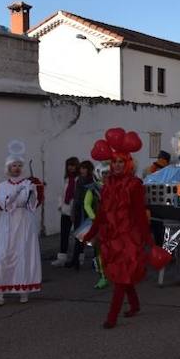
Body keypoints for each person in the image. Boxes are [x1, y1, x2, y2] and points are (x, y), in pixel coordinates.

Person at [84, 129, 152, 329]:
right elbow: (103, 212)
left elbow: (140, 213)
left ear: (129, 163)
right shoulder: (106, 186)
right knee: (121, 274)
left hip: (129, 235)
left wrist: (149, 240)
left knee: (122, 274)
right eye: (114, 162)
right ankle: (135, 305)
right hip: (111, 235)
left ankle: (111, 317)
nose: (117, 165)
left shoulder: (135, 185)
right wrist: (91, 233)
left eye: (121, 161)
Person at [0, 152, 44, 306]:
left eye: (19, 166)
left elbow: (32, 205)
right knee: (3, 254)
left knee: (23, 254)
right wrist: (17, 191)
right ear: (8, 168)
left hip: (25, 222)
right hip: (8, 223)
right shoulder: (1, 186)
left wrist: (32, 192)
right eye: (14, 165)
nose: (17, 168)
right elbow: (5, 205)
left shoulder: (28, 184)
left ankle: (23, 290)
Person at [66, 161, 96, 270]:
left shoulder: (93, 180)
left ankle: (95, 261)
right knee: (79, 236)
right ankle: (75, 260)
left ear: (89, 169)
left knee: (91, 237)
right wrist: (73, 212)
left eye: (84, 168)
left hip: (89, 211)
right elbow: (75, 197)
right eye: (81, 168)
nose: (82, 170)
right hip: (79, 210)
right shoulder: (79, 180)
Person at [52, 157, 80, 267]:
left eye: (73, 165)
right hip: (66, 210)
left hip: (76, 210)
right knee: (64, 234)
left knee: (79, 235)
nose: (71, 167)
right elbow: (61, 193)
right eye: (69, 165)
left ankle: (78, 257)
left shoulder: (79, 179)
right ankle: (62, 257)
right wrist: (60, 205)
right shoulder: (66, 179)